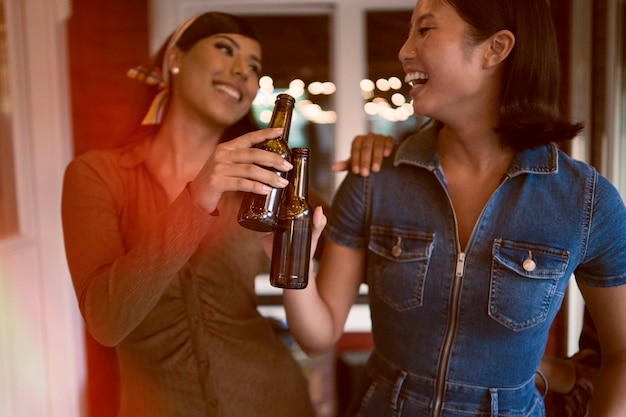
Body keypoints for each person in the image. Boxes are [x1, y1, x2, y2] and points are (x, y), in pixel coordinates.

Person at [287, 0, 626, 416]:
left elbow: (622, 354)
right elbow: (317, 335)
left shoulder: (586, 201)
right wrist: (287, 255)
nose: (404, 50)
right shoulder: (374, 179)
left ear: (495, 48)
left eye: (425, 30)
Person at [61, 12, 318, 417]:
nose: (242, 72)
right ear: (176, 59)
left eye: (254, 68)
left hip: (273, 399)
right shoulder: (97, 175)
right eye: (225, 49)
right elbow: (106, 322)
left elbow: (346, 232)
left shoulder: (261, 181)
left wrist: (372, 162)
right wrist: (197, 198)